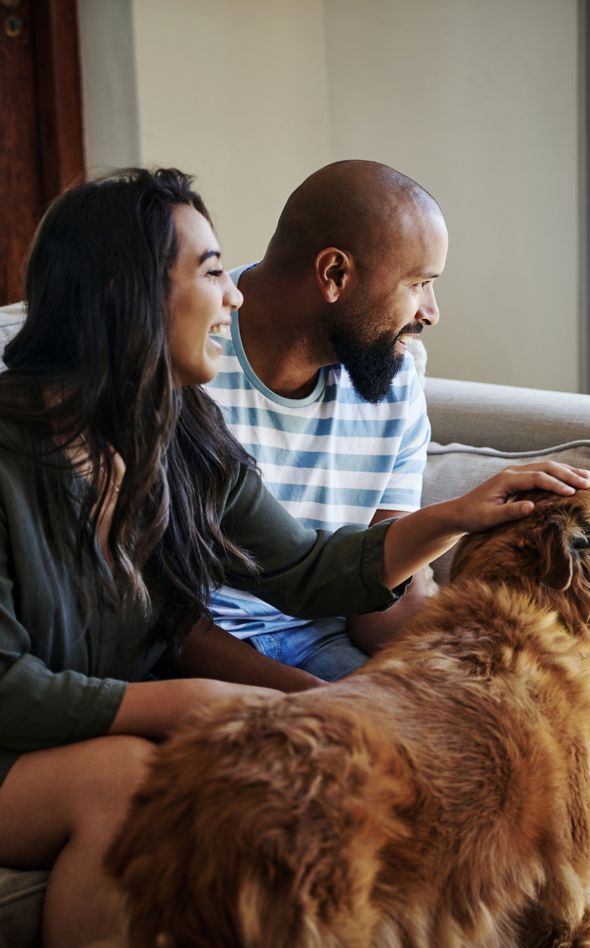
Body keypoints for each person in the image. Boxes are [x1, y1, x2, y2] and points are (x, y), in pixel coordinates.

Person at [0, 167, 590, 947]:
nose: (233, 296)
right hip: (5, 739)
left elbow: (303, 569)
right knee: (128, 781)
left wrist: (455, 516)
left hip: (75, 729)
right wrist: (191, 702)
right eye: (209, 272)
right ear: (127, 295)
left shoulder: (175, 432)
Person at [203, 160, 443, 687]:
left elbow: (380, 599)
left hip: (321, 640)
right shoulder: (189, 355)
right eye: (419, 283)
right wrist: (322, 705)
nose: (431, 311)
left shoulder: (395, 377)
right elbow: (154, 621)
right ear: (334, 274)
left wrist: (471, 663)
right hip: (197, 656)